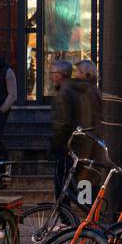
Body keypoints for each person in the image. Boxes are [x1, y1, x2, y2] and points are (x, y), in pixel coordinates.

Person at [49, 60, 96, 198]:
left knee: (61, 185)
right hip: (85, 144)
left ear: (60, 75)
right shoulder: (83, 90)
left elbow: (62, 122)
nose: (52, 76)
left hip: (69, 146)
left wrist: (55, 144)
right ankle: (86, 212)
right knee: (84, 181)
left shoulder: (65, 91)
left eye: (53, 73)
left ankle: (67, 218)